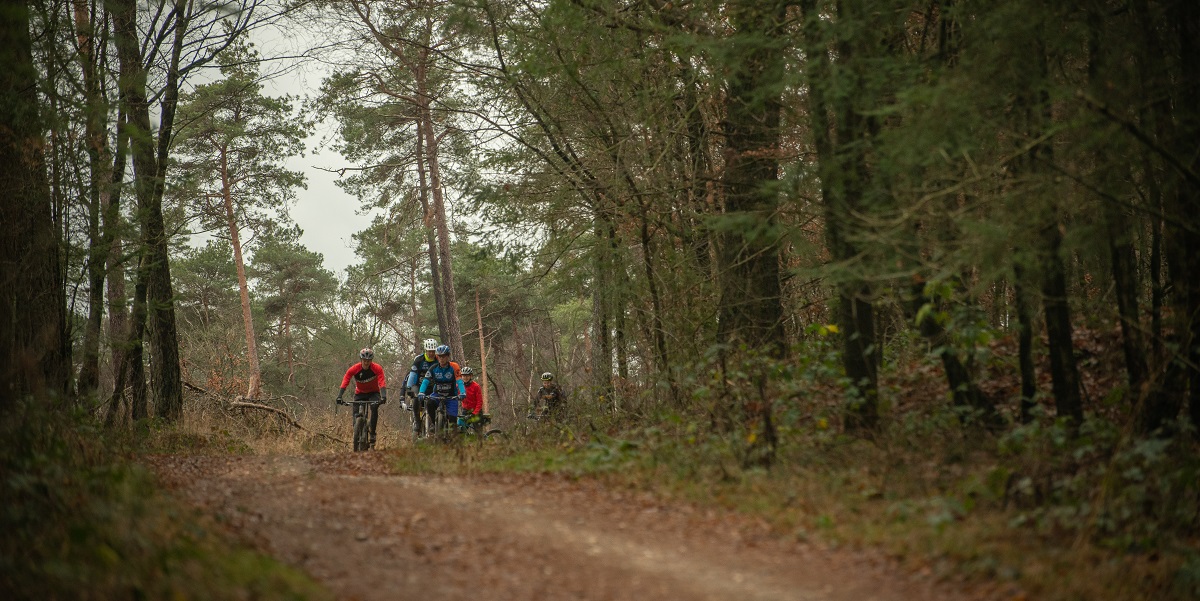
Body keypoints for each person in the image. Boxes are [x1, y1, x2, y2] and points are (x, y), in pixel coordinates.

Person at [335, 347, 387, 449]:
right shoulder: (354, 369)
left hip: (373, 393)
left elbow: (382, 382)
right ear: (361, 360)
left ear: (371, 361)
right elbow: (346, 380)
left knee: (374, 407)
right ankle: (357, 431)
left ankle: (372, 433)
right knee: (355, 415)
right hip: (360, 393)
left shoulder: (377, 368)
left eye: (368, 361)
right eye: (364, 360)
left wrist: (384, 396)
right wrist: (339, 396)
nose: (366, 363)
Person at [417, 344, 465, 435]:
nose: (441, 359)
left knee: (453, 422)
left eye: (443, 356)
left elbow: (459, 381)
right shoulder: (433, 368)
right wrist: (421, 392)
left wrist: (462, 392)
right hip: (437, 394)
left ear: (448, 356)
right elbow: (425, 381)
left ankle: (453, 440)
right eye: (439, 356)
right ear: (437, 357)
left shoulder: (454, 366)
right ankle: (434, 424)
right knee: (429, 403)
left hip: (451, 396)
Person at [403, 338, 440, 437]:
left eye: (433, 351)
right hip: (419, 386)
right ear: (425, 350)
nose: (431, 353)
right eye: (429, 351)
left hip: (432, 387)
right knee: (415, 399)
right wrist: (409, 387)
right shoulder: (419, 360)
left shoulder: (438, 360)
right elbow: (412, 374)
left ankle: (435, 422)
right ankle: (417, 422)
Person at [457, 366, 483, 431]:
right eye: (464, 376)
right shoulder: (459, 386)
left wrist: (474, 413)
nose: (465, 377)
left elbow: (479, 402)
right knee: (461, 430)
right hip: (465, 410)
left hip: (476, 411)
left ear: (471, 376)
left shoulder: (476, 386)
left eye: (467, 376)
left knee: (478, 431)